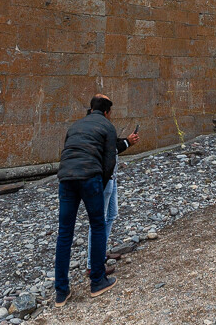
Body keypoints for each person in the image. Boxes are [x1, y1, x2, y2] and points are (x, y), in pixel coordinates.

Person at [54, 95, 123, 306]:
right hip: (89, 177)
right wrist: (99, 185)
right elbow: (109, 161)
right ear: (106, 112)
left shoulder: (75, 126)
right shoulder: (107, 126)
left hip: (66, 178)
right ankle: (97, 281)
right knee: (97, 224)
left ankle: (61, 292)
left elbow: (67, 151)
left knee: (65, 232)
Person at [87, 94, 139, 274]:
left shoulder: (95, 124)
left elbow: (110, 144)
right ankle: (92, 264)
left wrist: (126, 141)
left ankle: (100, 254)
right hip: (103, 178)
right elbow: (108, 149)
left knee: (111, 215)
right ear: (107, 111)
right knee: (98, 220)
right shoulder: (99, 125)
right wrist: (127, 142)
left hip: (111, 177)